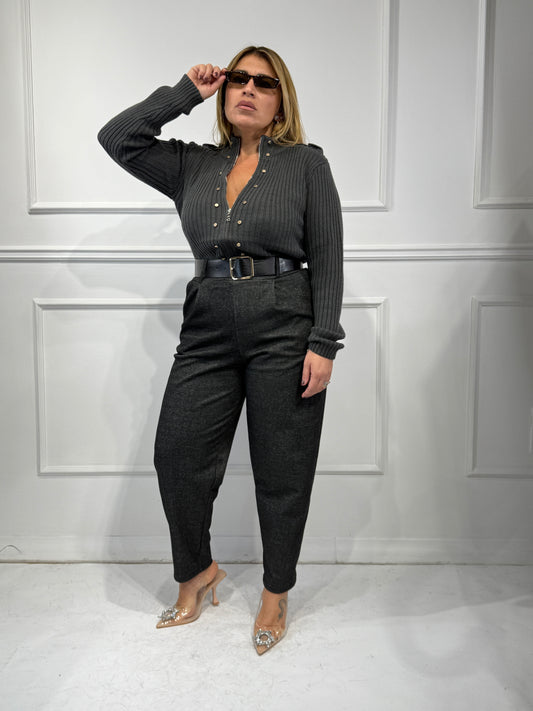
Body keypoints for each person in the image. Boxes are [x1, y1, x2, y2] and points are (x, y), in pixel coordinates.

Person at [98, 45, 344, 655]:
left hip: (284, 321)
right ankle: (198, 572)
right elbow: (117, 138)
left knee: (282, 469)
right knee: (177, 456)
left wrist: (324, 341)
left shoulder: (306, 164)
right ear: (225, 90)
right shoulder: (192, 165)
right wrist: (185, 92)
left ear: (281, 100)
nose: (248, 89)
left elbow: (328, 254)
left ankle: (275, 592)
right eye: (239, 79)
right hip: (207, 323)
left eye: (264, 82)